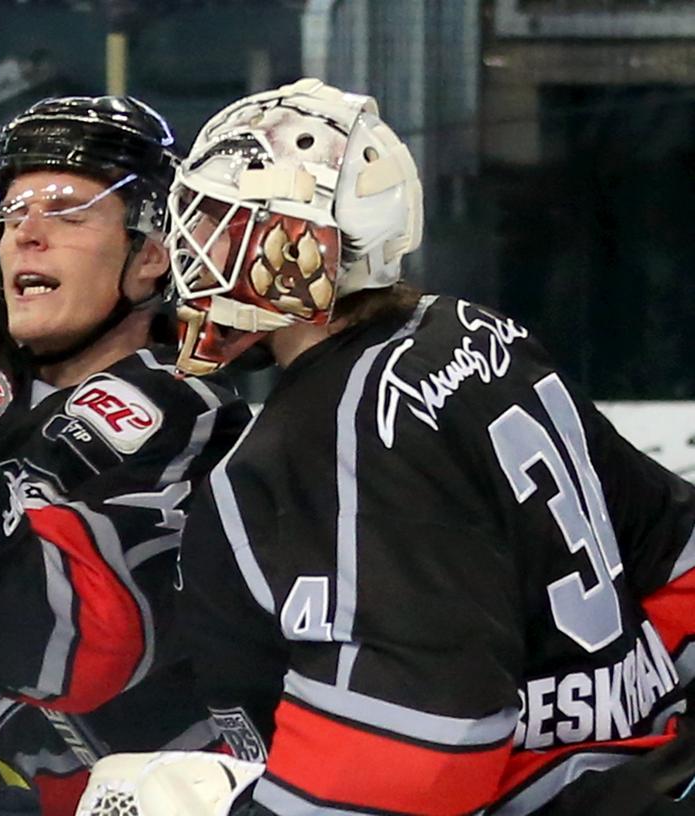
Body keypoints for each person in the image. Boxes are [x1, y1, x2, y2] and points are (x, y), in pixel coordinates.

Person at [172, 78, 695, 814]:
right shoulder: (470, 329)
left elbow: (420, 748)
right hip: (646, 776)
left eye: (226, 221)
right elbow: (674, 545)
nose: (195, 247)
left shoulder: (336, 430)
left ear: (308, 246)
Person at [0, 95, 252, 815]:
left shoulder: (187, 412)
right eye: (13, 211)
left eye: (67, 211)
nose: (27, 234)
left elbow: (70, 648)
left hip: (124, 794)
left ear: (150, 256)